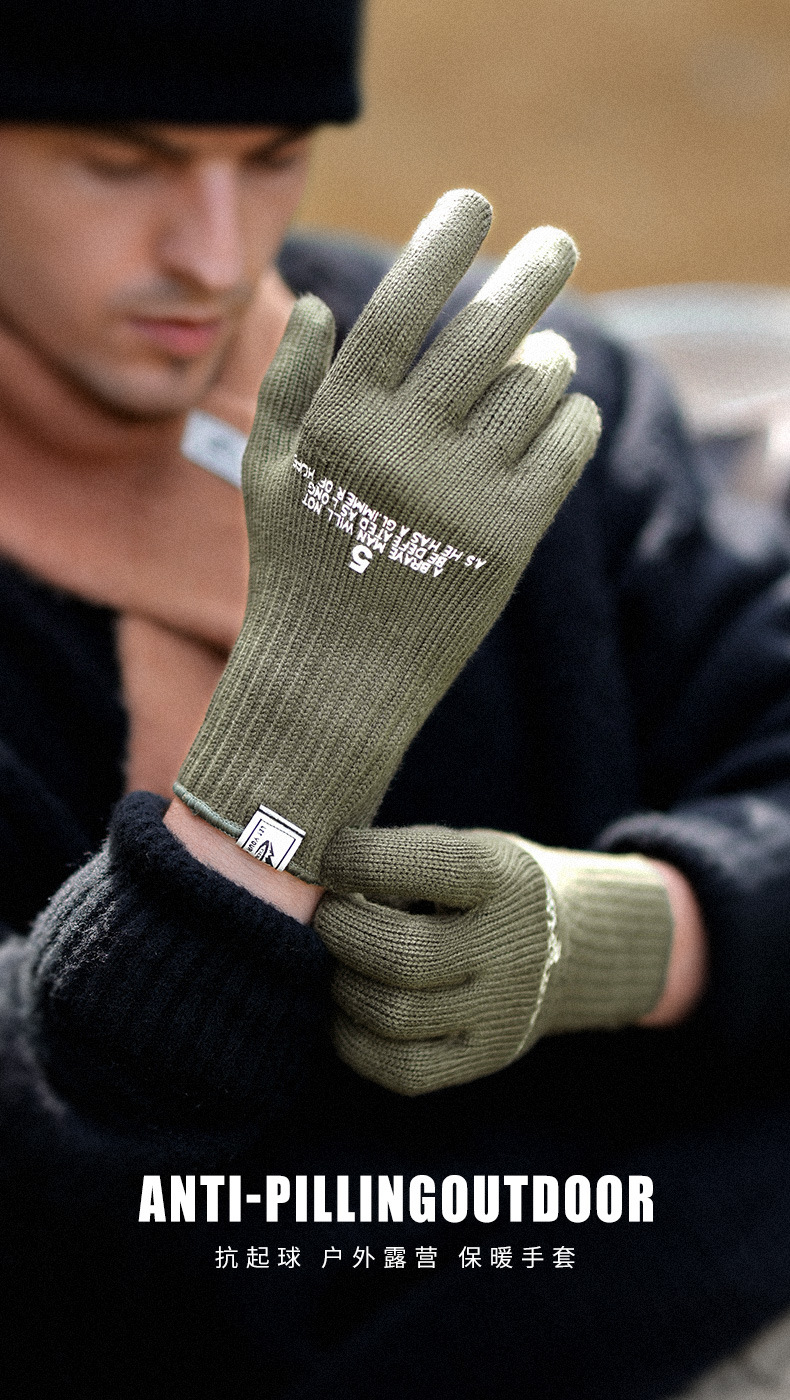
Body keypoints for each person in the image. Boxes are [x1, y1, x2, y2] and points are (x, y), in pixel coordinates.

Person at [2, 3, 790, 1397]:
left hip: (687, 1295)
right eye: (121, 163)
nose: (213, 254)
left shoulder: (509, 404)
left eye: (272, 154)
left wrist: (621, 935)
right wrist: (291, 747)